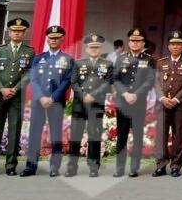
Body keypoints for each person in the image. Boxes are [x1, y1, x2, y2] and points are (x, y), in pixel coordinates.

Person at [21, 24, 74, 177]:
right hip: (39, 101)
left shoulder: (67, 59)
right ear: (47, 39)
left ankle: (54, 167)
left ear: (62, 39)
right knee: (34, 133)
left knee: (56, 133)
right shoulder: (38, 58)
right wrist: (41, 96)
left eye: (57, 38)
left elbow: (66, 81)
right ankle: (31, 166)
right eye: (51, 38)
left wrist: (52, 97)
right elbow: (34, 79)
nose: (54, 40)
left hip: (56, 102)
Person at [0, 17, 34, 177]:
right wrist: (1, 89)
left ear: (24, 33)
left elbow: (29, 72)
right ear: (9, 32)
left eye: (20, 31)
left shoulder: (29, 51)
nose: (17, 33)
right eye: (14, 31)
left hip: (17, 96)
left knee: (14, 131)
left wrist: (15, 88)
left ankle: (11, 165)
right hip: (0, 96)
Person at [66, 33, 113, 177]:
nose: (94, 49)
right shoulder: (78, 63)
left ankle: (94, 166)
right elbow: (73, 82)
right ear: (86, 49)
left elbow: (108, 82)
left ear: (101, 48)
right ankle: (72, 167)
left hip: (96, 103)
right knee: (75, 136)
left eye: (97, 47)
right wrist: (83, 95)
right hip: (80, 104)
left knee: (94, 135)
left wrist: (93, 95)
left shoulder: (107, 64)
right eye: (91, 47)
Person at [113, 27, 156, 177]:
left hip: (138, 102)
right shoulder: (121, 58)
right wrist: (125, 93)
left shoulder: (149, 59)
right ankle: (119, 168)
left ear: (143, 43)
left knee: (137, 135)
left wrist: (136, 94)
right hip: (123, 101)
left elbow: (150, 81)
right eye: (132, 40)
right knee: (122, 135)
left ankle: (134, 168)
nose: (135, 43)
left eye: (138, 41)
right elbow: (115, 78)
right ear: (129, 42)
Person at [152, 30, 182, 178]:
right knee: (161, 135)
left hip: (179, 105)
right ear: (169, 46)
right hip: (163, 104)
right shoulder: (161, 62)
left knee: (178, 136)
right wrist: (162, 98)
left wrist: (176, 99)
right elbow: (157, 82)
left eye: (178, 44)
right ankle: (161, 165)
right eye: (172, 44)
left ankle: (176, 165)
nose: (175, 47)